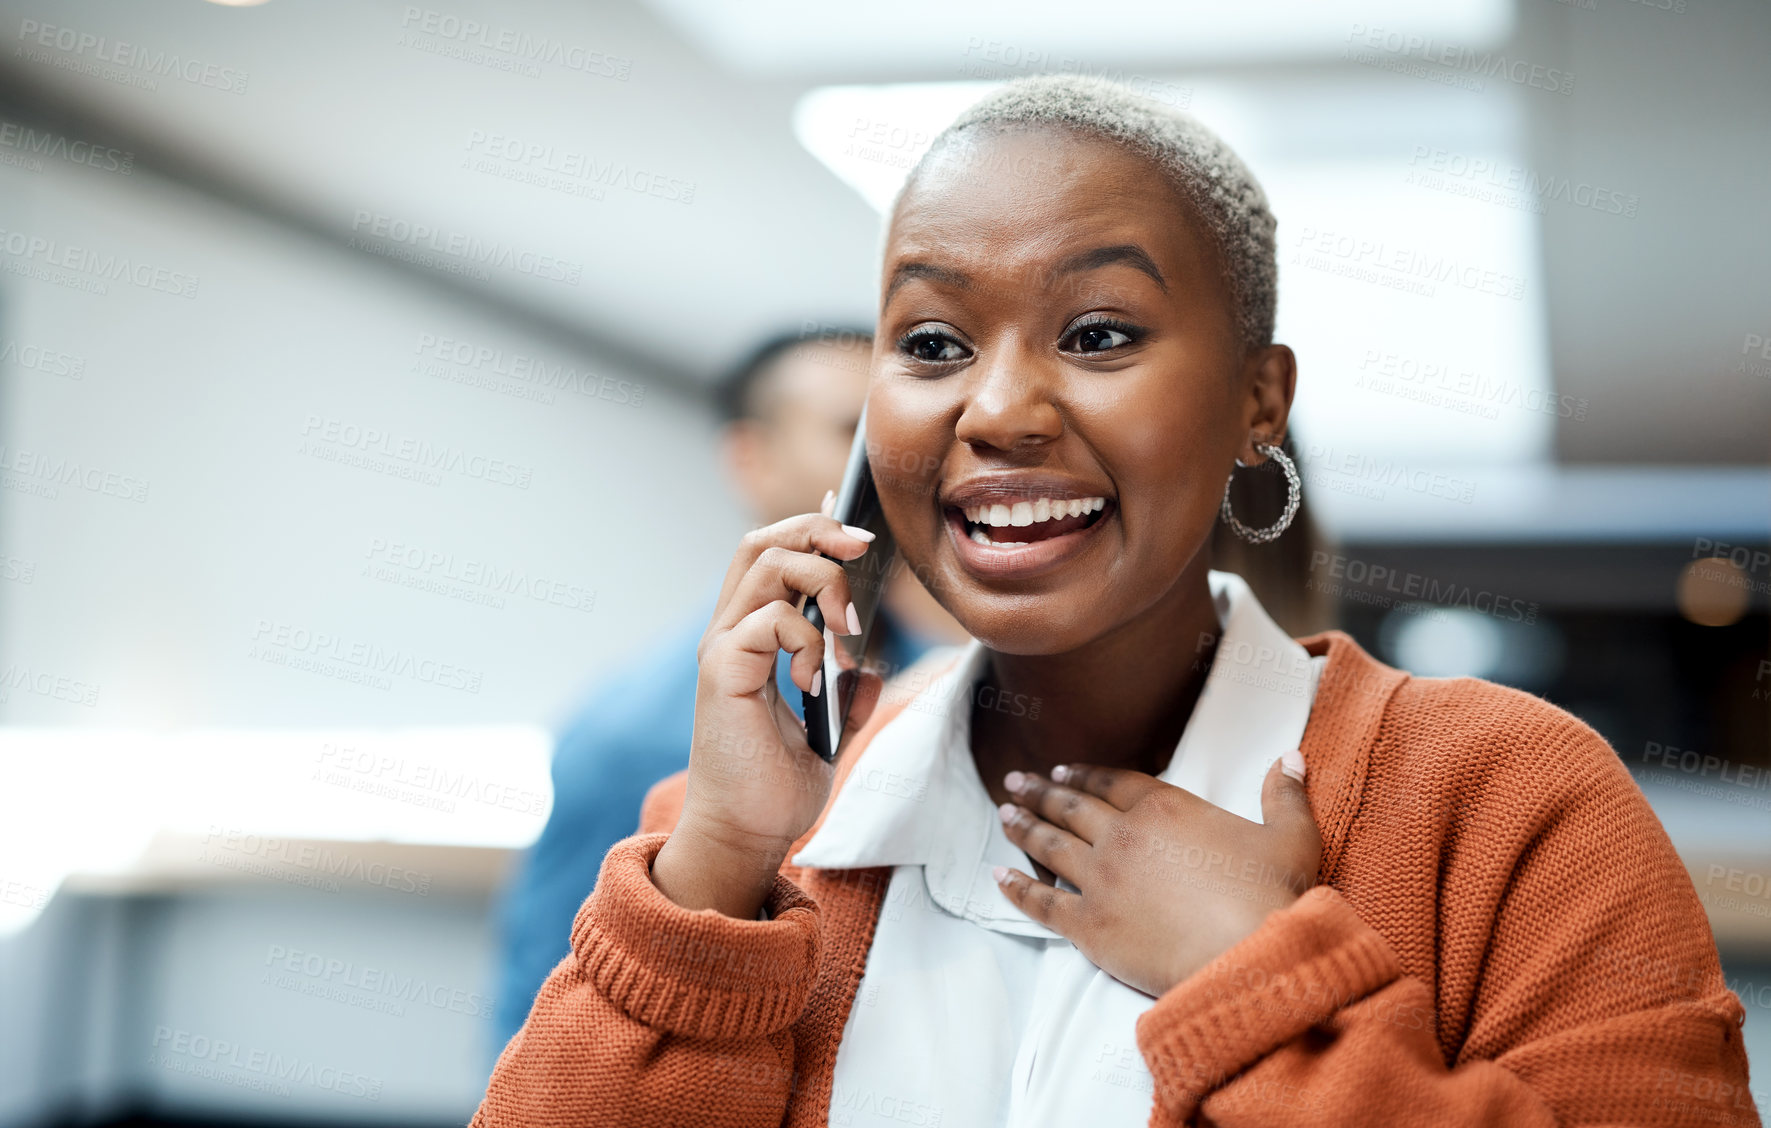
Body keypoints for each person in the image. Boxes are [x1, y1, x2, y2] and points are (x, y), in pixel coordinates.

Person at [474, 76, 1756, 1127]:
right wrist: (716, 870)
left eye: (1097, 334)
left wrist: (1258, 985)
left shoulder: (1504, 796)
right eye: (930, 343)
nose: (996, 410)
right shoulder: (754, 826)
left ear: (1260, 400)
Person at [487, 329, 961, 1053]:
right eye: (850, 428)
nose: (895, 458)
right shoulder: (630, 740)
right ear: (751, 458)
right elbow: (547, 1024)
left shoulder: (951, 675)